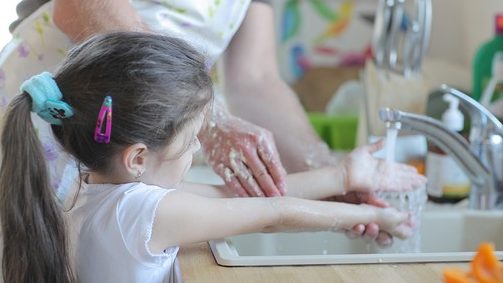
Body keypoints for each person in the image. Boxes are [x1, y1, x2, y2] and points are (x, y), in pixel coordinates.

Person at [0, 32, 424, 283]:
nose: (197, 150)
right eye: (190, 143)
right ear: (138, 157)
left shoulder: (85, 185)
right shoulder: (148, 212)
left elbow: (230, 195)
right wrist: (372, 219)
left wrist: (346, 175)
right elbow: (270, 211)